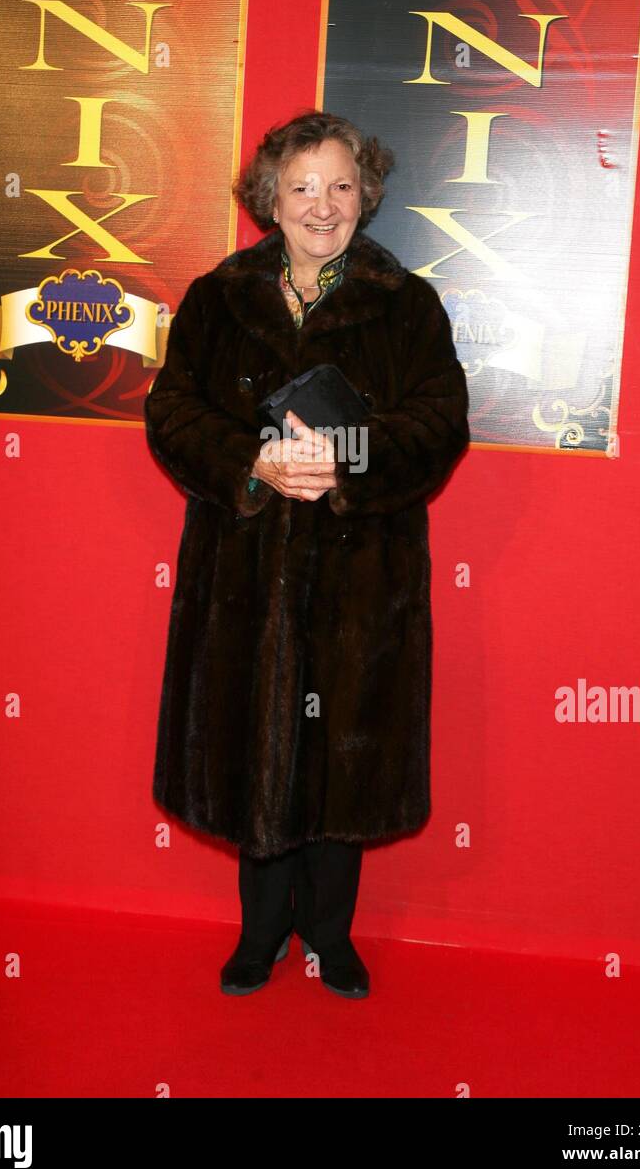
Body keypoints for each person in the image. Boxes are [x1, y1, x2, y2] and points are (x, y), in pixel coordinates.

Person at [144, 110, 470, 998]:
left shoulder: (408, 306)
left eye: (339, 185)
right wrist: (252, 461)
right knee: (252, 747)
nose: (321, 205)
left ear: (365, 193)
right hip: (241, 575)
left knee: (344, 761)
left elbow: (440, 423)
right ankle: (260, 936)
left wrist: (342, 461)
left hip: (364, 581)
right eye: (301, 187)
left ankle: (332, 935)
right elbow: (172, 415)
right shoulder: (218, 298)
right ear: (269, 199)